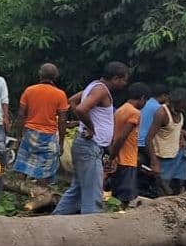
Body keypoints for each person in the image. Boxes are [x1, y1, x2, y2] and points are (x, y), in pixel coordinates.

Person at [53, 61, 130, 215]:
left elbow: (73, 101)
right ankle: (93, 227)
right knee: (93, 193)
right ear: (115, 78)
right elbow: (81, 108)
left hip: (88, 146)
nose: (125, 83)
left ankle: (54, 220)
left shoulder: (94, 86)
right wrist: (90, 127)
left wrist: (84, 122)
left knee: (78, 190)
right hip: (90, 146)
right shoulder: (101, 91)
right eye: (124, 80)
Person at [13, 63, 70, 184]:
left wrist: (19, 137)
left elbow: (21, 115)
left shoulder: (29, 90)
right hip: (48, 136)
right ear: (56, 76)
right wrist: (60, 143)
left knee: (23, 164)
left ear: (40, 74)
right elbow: (62, 120)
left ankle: (17, 195)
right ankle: (40, 195)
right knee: (44, 170)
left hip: (29, 133)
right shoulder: (60, 94)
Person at [108, 83, 150, 204]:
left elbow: (115, 135)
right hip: (127, 159)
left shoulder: (120, 110)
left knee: (116, 195)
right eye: (145, 101)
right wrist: (112, 157)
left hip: (118, 158)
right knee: (126, 198)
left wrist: (113, 156)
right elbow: (122, 137)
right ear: (142, 98)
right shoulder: (134, 113)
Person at [151, 88, 186, 192]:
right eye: (182, 107)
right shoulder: (162, 113)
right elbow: (149, 138)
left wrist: (181, 139)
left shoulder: (179, 112)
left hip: (177, 154)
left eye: (185, 108)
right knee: (164, 191)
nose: (183, 110)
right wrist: (154, 162)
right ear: (174, 103)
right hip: (163, 158)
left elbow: (177, 128)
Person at [136, 84, 167, 163]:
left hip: (135, 143)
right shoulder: (160, 109)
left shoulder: (141, 104)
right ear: (164, 95)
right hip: (147, 144)